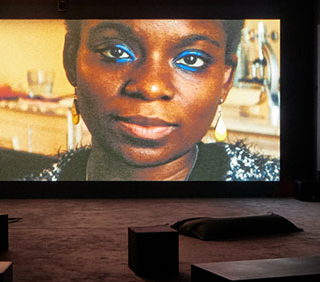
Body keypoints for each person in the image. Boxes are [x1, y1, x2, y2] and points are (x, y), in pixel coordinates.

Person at [28, 19, 279, 181]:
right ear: (71, 61)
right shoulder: (31, 199)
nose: (150, 87)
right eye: (116, 52)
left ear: (225, 80)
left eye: (192, 60)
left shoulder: (267, 181)